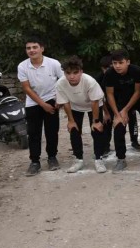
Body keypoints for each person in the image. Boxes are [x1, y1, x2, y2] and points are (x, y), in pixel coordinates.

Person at [104, 49, 140, 172]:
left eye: (120, 63)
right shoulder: (109, 73)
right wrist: (118, 114)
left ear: (127, 62)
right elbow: (109, 94)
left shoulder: (136, 71)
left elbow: (138, 91)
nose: (117, 66)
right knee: (118, 126)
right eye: (114, 63)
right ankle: (121, 159)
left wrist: (126, 110)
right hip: (122, 100)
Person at [17, 37, 63, 176]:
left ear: (42, 49)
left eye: (34, 47)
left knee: (52, 131)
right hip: (33, 102)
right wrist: (42, 104)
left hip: (52, 100)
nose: (31, 50)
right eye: (28, 48)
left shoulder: (53, 63)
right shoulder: (22, 66)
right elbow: (27, 88)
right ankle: (35, 162)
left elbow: (62, 81)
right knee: (33, 133)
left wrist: (59, 99)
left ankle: (52, 157)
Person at [56, 56, 109, 173]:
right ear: (64, 73)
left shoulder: (89, 81)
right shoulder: (60, 83)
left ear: (81, 72)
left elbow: (95, 102)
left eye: (75, 73)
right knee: (74, 130)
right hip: (75, 105)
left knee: (97, 130)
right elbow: (65, 102)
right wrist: (70, 121)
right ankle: (78, 159)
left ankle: (99, 159)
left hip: (93, 104)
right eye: (68, 73)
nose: (72, 76)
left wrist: (96, 121)